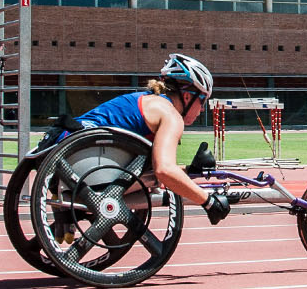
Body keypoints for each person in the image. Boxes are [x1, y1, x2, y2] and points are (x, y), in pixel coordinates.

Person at [65, 53, 229, 224]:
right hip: (82, 167)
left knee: (156, 179)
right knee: (156, 183)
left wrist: (189, 170)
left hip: (69, 158)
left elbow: (146, 168)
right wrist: (209, 202)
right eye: (203, 101)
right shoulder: (170, 115)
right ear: (188, 96)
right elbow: (164, 171)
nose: (202, 109)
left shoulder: (149, 101)